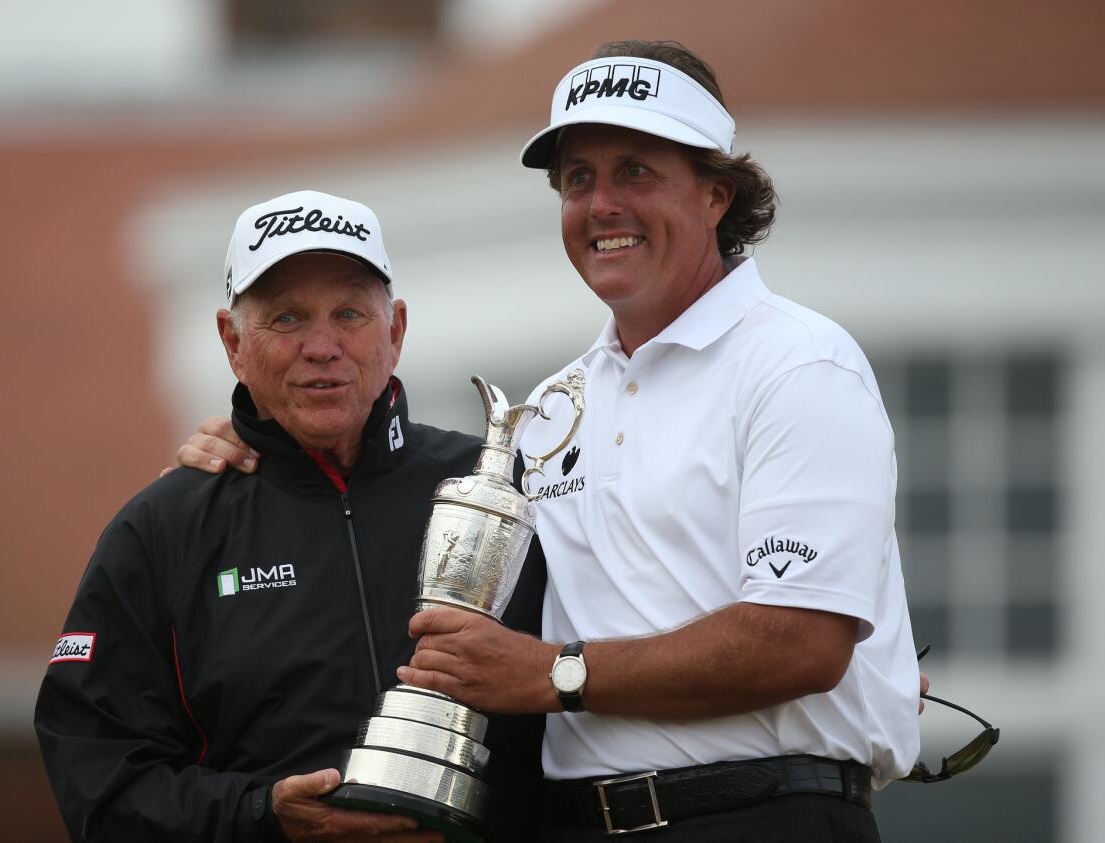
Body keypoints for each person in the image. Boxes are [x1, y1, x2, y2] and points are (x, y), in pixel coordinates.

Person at [177, 42, 928, 842]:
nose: (601, 203)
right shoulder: (554, 405)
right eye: (578, 179)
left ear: (717, 194)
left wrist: (554, 673)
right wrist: (268, 443)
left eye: (635, 169)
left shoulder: (798, 362)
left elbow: (801, 642)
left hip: (763, 816)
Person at [35, 189, 546, 842]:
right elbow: (97, 779)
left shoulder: (502, 488)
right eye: (286, 318)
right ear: (232, 341)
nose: (322, 345)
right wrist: (260, 814)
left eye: (350, 313)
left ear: (395, 332)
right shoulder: (161, 530)